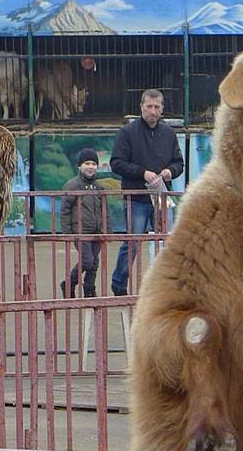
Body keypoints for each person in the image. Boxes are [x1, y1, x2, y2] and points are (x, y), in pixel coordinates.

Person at [109, 89, 184, 296]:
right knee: (132, 242)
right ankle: (119, 284)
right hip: (137, 197)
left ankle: (166, 285)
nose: (153, 110)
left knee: (168, 242)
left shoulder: (169, 134)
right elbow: (116, 163)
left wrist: (171, 171)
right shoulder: (128, 132)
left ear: (162, 109)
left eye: (157, 107)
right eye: (149, 106)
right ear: (141, 107)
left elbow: (179, 163)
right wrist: (143, 173)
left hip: (162, 197)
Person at [59, 148, 106, 298]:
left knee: (94, 263)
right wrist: (67, 232)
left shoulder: (99, 187)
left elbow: (105, 209)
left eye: (93, 163)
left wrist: (107, 229)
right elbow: (65, 210)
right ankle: (69, 283)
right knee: (87, 260)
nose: (90, 166)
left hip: (97, 231)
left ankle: (90, 289)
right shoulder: (72, 185)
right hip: (80, 231)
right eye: (87, 163)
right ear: (80, 166)